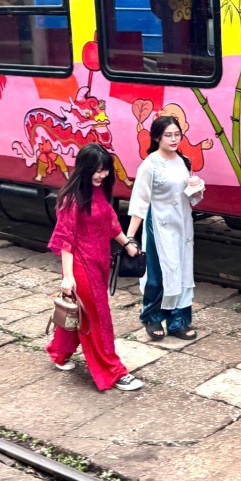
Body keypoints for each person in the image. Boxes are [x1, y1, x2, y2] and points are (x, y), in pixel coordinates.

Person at [46, 142, 145, 391]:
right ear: (85, 168)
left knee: (81, 312)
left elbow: (110, 222)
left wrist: (127, 244)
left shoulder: (97, 191)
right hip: (82, 267)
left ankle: (59, 352)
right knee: (97, 318)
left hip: (100, 263)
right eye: (98, 170)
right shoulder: (71, 199)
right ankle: (113, 371)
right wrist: (68, 277)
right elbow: (66, 240)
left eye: (105, 169)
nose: (103, 175)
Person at [126, 115, 205, 341]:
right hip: (159, 227)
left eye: (177, 134)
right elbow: (139, 202)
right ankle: (151, 317)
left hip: (183, 226)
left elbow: (187, 197)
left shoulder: (184, 161)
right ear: (157, 137)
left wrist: (196, 188)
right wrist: (130, 237)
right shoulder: (149, 165)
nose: (173, 139)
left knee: (182, 272)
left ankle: (178, 321)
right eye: (168, 135)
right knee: (159, 274)